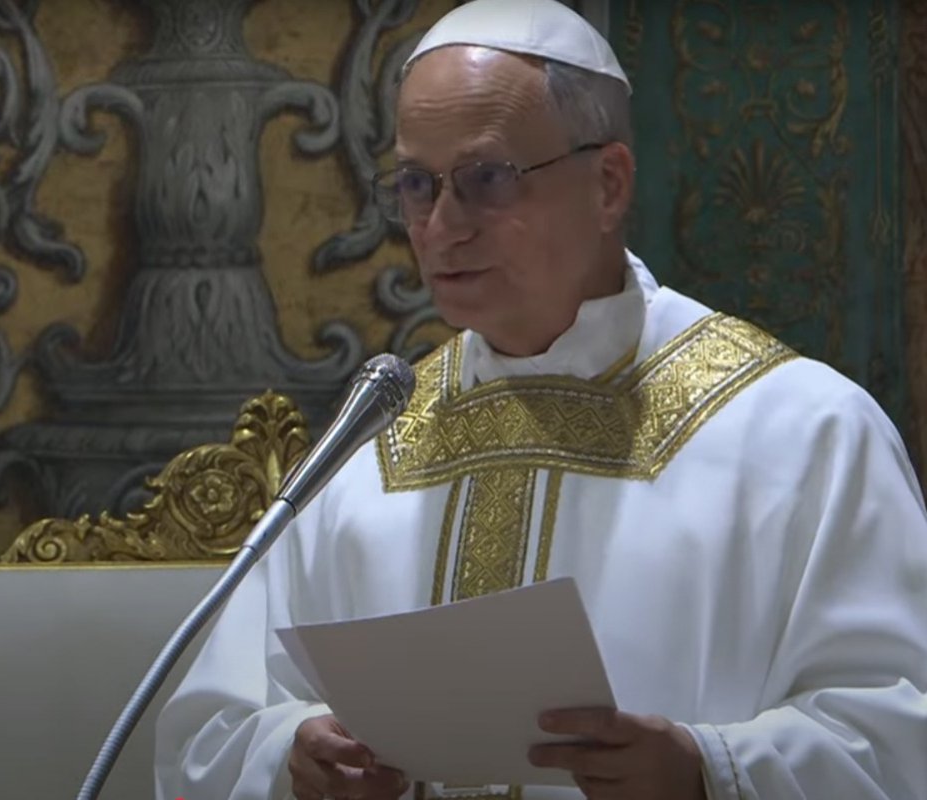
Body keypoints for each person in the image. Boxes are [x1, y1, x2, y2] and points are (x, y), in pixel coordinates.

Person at [154, 0, 927, 797]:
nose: (442, 227)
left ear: (608, 183)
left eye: (486, 180)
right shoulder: (365, 451)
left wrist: (710, 774)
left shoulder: (803, 433)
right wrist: (294, 755)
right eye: (417, 185)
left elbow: (901, 730)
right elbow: (212, 731)